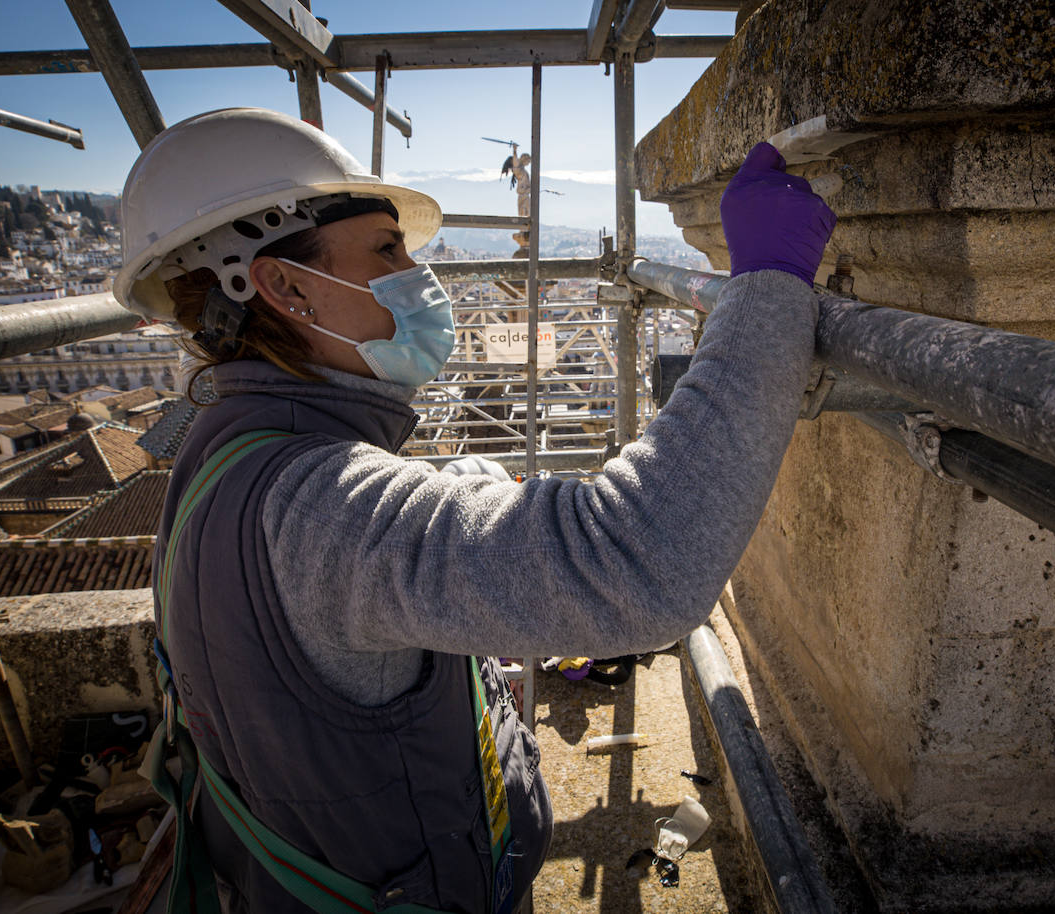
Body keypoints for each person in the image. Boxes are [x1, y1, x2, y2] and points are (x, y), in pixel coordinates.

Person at [118, 108, 834, 914]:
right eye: (386, 251)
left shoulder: (218, 456)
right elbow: (640, 560)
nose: (416, 275)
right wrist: (767, 289)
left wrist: (470, 476)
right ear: (284, 288)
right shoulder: (325, 509)